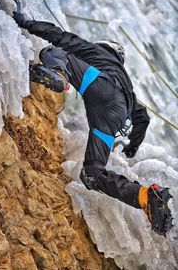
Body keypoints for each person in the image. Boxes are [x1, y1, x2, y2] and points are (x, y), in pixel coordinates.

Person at [13, 13, 173, 235]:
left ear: (106, 48)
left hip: (100, 88)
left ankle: (58, 71)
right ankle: (147, 196)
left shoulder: (100, 54)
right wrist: (132, 147)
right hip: (115, 117)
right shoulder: (128, 87)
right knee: (91, 174)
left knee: (58, 51)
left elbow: (64, 38)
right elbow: (143, 118)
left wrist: (27, 23)